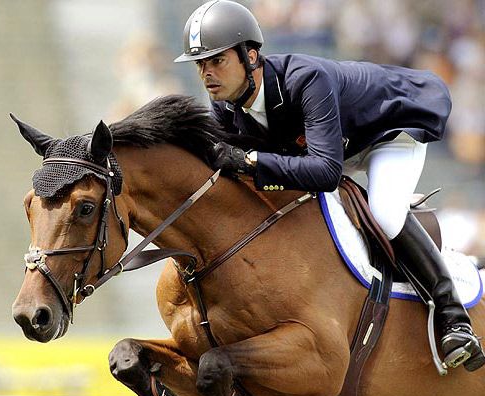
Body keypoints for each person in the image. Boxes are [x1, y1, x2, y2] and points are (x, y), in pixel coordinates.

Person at [174, 0, 485, 371]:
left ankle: (453, 316)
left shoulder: (304, 79)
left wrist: (252, 161)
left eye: (217, 61)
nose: (207, 74)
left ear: (251, 56)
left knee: (384, 215)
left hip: (385, 131)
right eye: (200, 64)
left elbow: (324, 173)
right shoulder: (224, 106)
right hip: (335, 147)